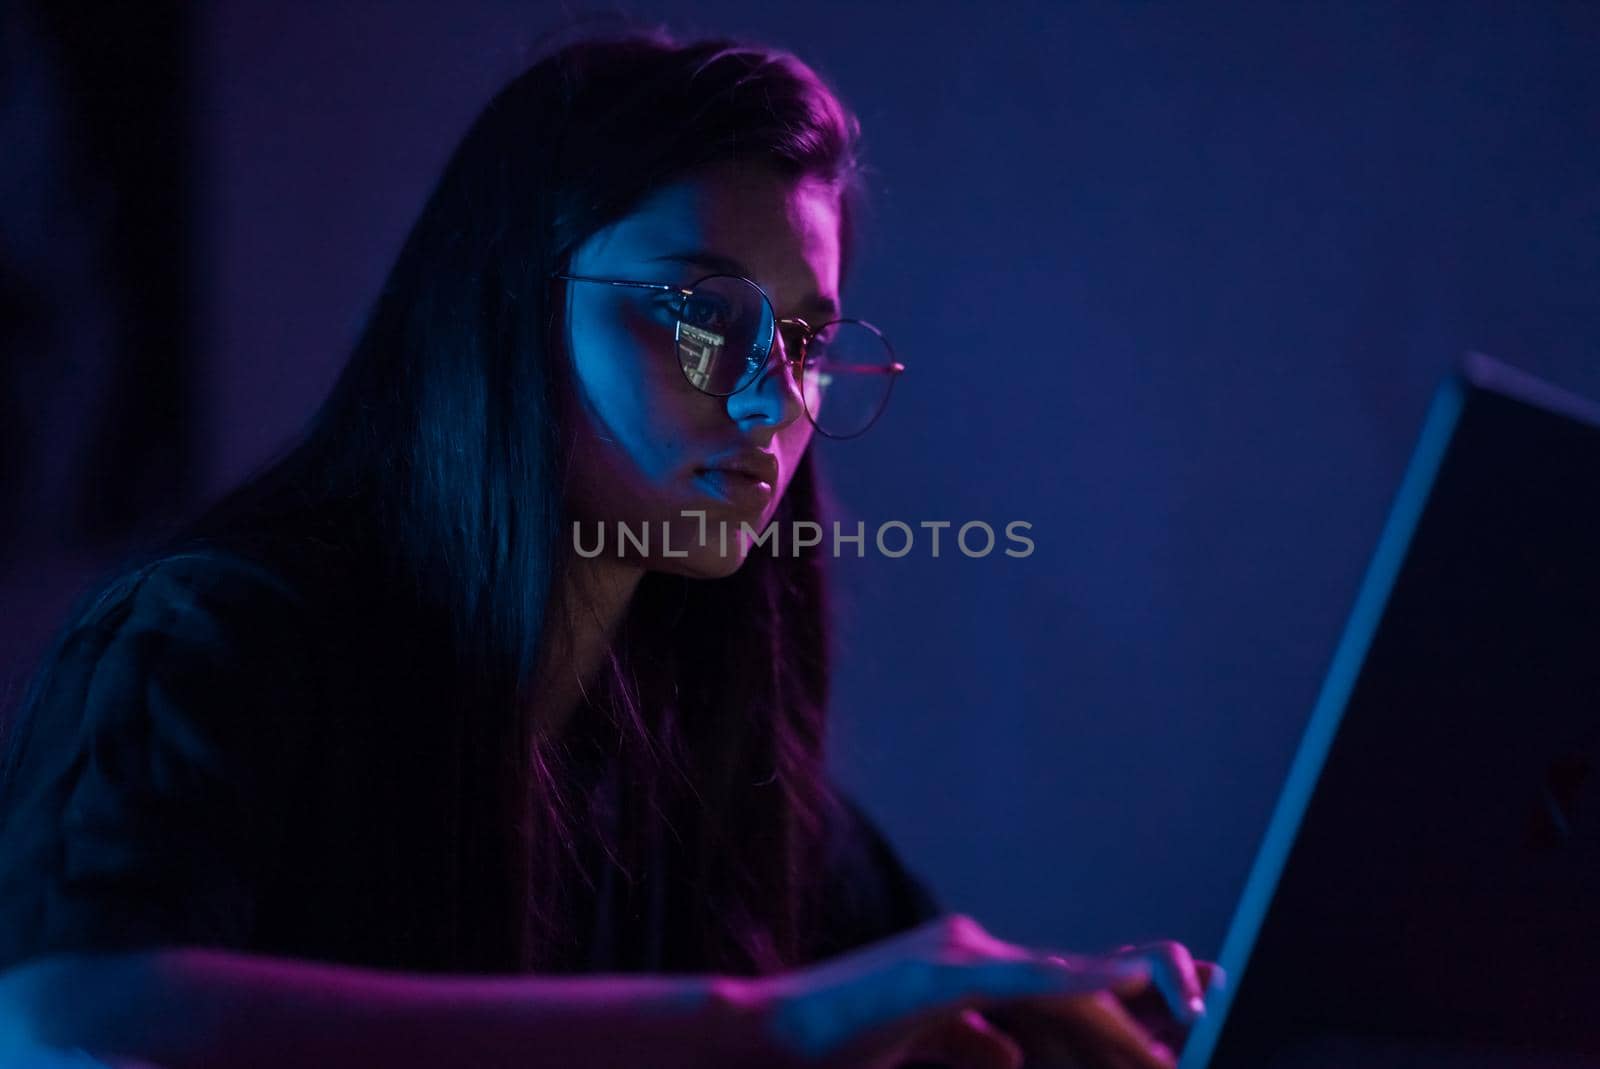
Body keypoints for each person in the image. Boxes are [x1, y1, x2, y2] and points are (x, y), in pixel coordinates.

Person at [0, 29, 1217, 1069]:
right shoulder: (210, 640)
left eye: (801, 340)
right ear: (510, 308)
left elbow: (909, 1000)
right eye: (698, 315)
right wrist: (759, 1028)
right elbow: (61, 1018)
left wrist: (1085, 1006)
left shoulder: (695, 730)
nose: (768, 403)